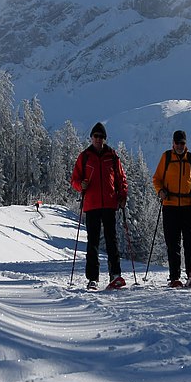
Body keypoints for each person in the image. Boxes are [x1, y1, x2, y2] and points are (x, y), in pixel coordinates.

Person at [70, 122, 128, 289]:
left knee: (112, 241)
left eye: (101, 136)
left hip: (109, 204)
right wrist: (81, 185)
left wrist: (122, 196)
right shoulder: (85, 156)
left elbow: (121, 179)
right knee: (93, 243)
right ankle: (93, 278)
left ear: (104, 139)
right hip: (92, 204)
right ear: (91, 137)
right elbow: (74, 180)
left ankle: (115, 275)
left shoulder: (112, 156)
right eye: (96, 136)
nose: (98, 139)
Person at [152, 130, 191, 287]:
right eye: (178, 143)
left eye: (182, 143)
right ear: (173, 143)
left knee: (190, 242)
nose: (180, 146)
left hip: (188, 206)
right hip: (170, 206)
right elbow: (156, 179)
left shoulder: (190, 159)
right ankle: (174, 277)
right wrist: (160, 191)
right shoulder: (166, 157)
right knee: (173, 243)